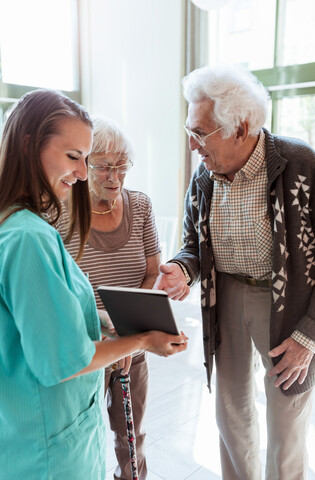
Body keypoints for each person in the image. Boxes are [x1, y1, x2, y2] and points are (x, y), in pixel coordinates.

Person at [0, 89, 188, 480]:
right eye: (75, 158)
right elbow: (64, 361)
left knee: (129, 433)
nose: (84, 174)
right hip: (50, 450)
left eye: (87, 160)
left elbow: (41, 318)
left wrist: (105, 320)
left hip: (37, 430)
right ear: (28, 145)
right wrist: (141, 341)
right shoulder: (30, 237)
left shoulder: (17, 224)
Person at [154, 64, 315, 480]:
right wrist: (181, 268)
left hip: (289, 301)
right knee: (230, 409)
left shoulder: (300, 163)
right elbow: (194, 244)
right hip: (225, 293)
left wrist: (311, 334)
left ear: (240, 127)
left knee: (286, 418)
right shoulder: (205, 176)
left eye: (200, 132)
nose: (192, 144)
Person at [57, 116, 160, 480]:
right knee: (80, 433)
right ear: (84, 166)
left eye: (122, 166)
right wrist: (103, 331)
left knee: (131, 435)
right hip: (85, 345)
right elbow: (59, 287)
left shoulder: (142, 207)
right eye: (103, 167)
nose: (115, 177)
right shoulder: (62, 212)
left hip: (132, 340)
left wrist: (129, 335)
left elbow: (152, 273)